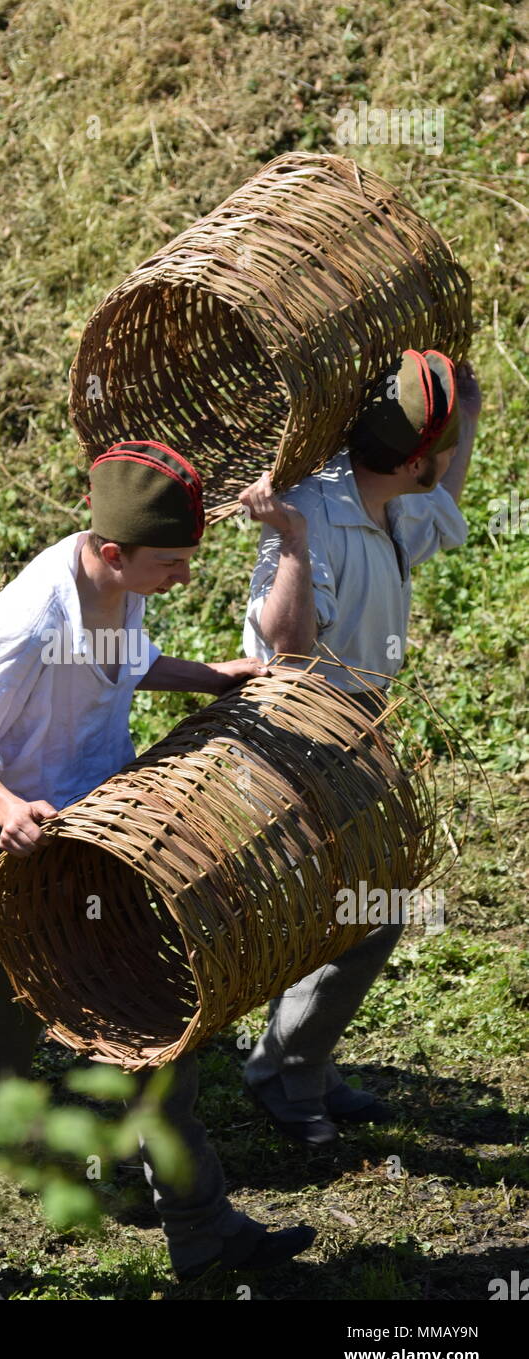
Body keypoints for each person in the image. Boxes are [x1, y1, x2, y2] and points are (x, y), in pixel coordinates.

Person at [0, 439, 316, 1299]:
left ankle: (204, 1232)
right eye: (171, 564)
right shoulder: (28, 622)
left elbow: (121, 669)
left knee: (161, 1030)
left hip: (100, 840)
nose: (182, 578)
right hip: (9, 855)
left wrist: (209, 677)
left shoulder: (113, 586)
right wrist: (8, 808)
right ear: (114, 551)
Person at [236, 350, 481, 1147]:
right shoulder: (310, 514)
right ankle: (286, 1075)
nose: (442, 468)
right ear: (412, 456)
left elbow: (439, 503)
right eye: (437, 451)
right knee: (359, 910)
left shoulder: (384, 494)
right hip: (302, 736)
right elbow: (289, 648)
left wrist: (464, 417)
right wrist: (295, 544)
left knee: (362, 912)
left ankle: (297, 1062)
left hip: (357, 731)